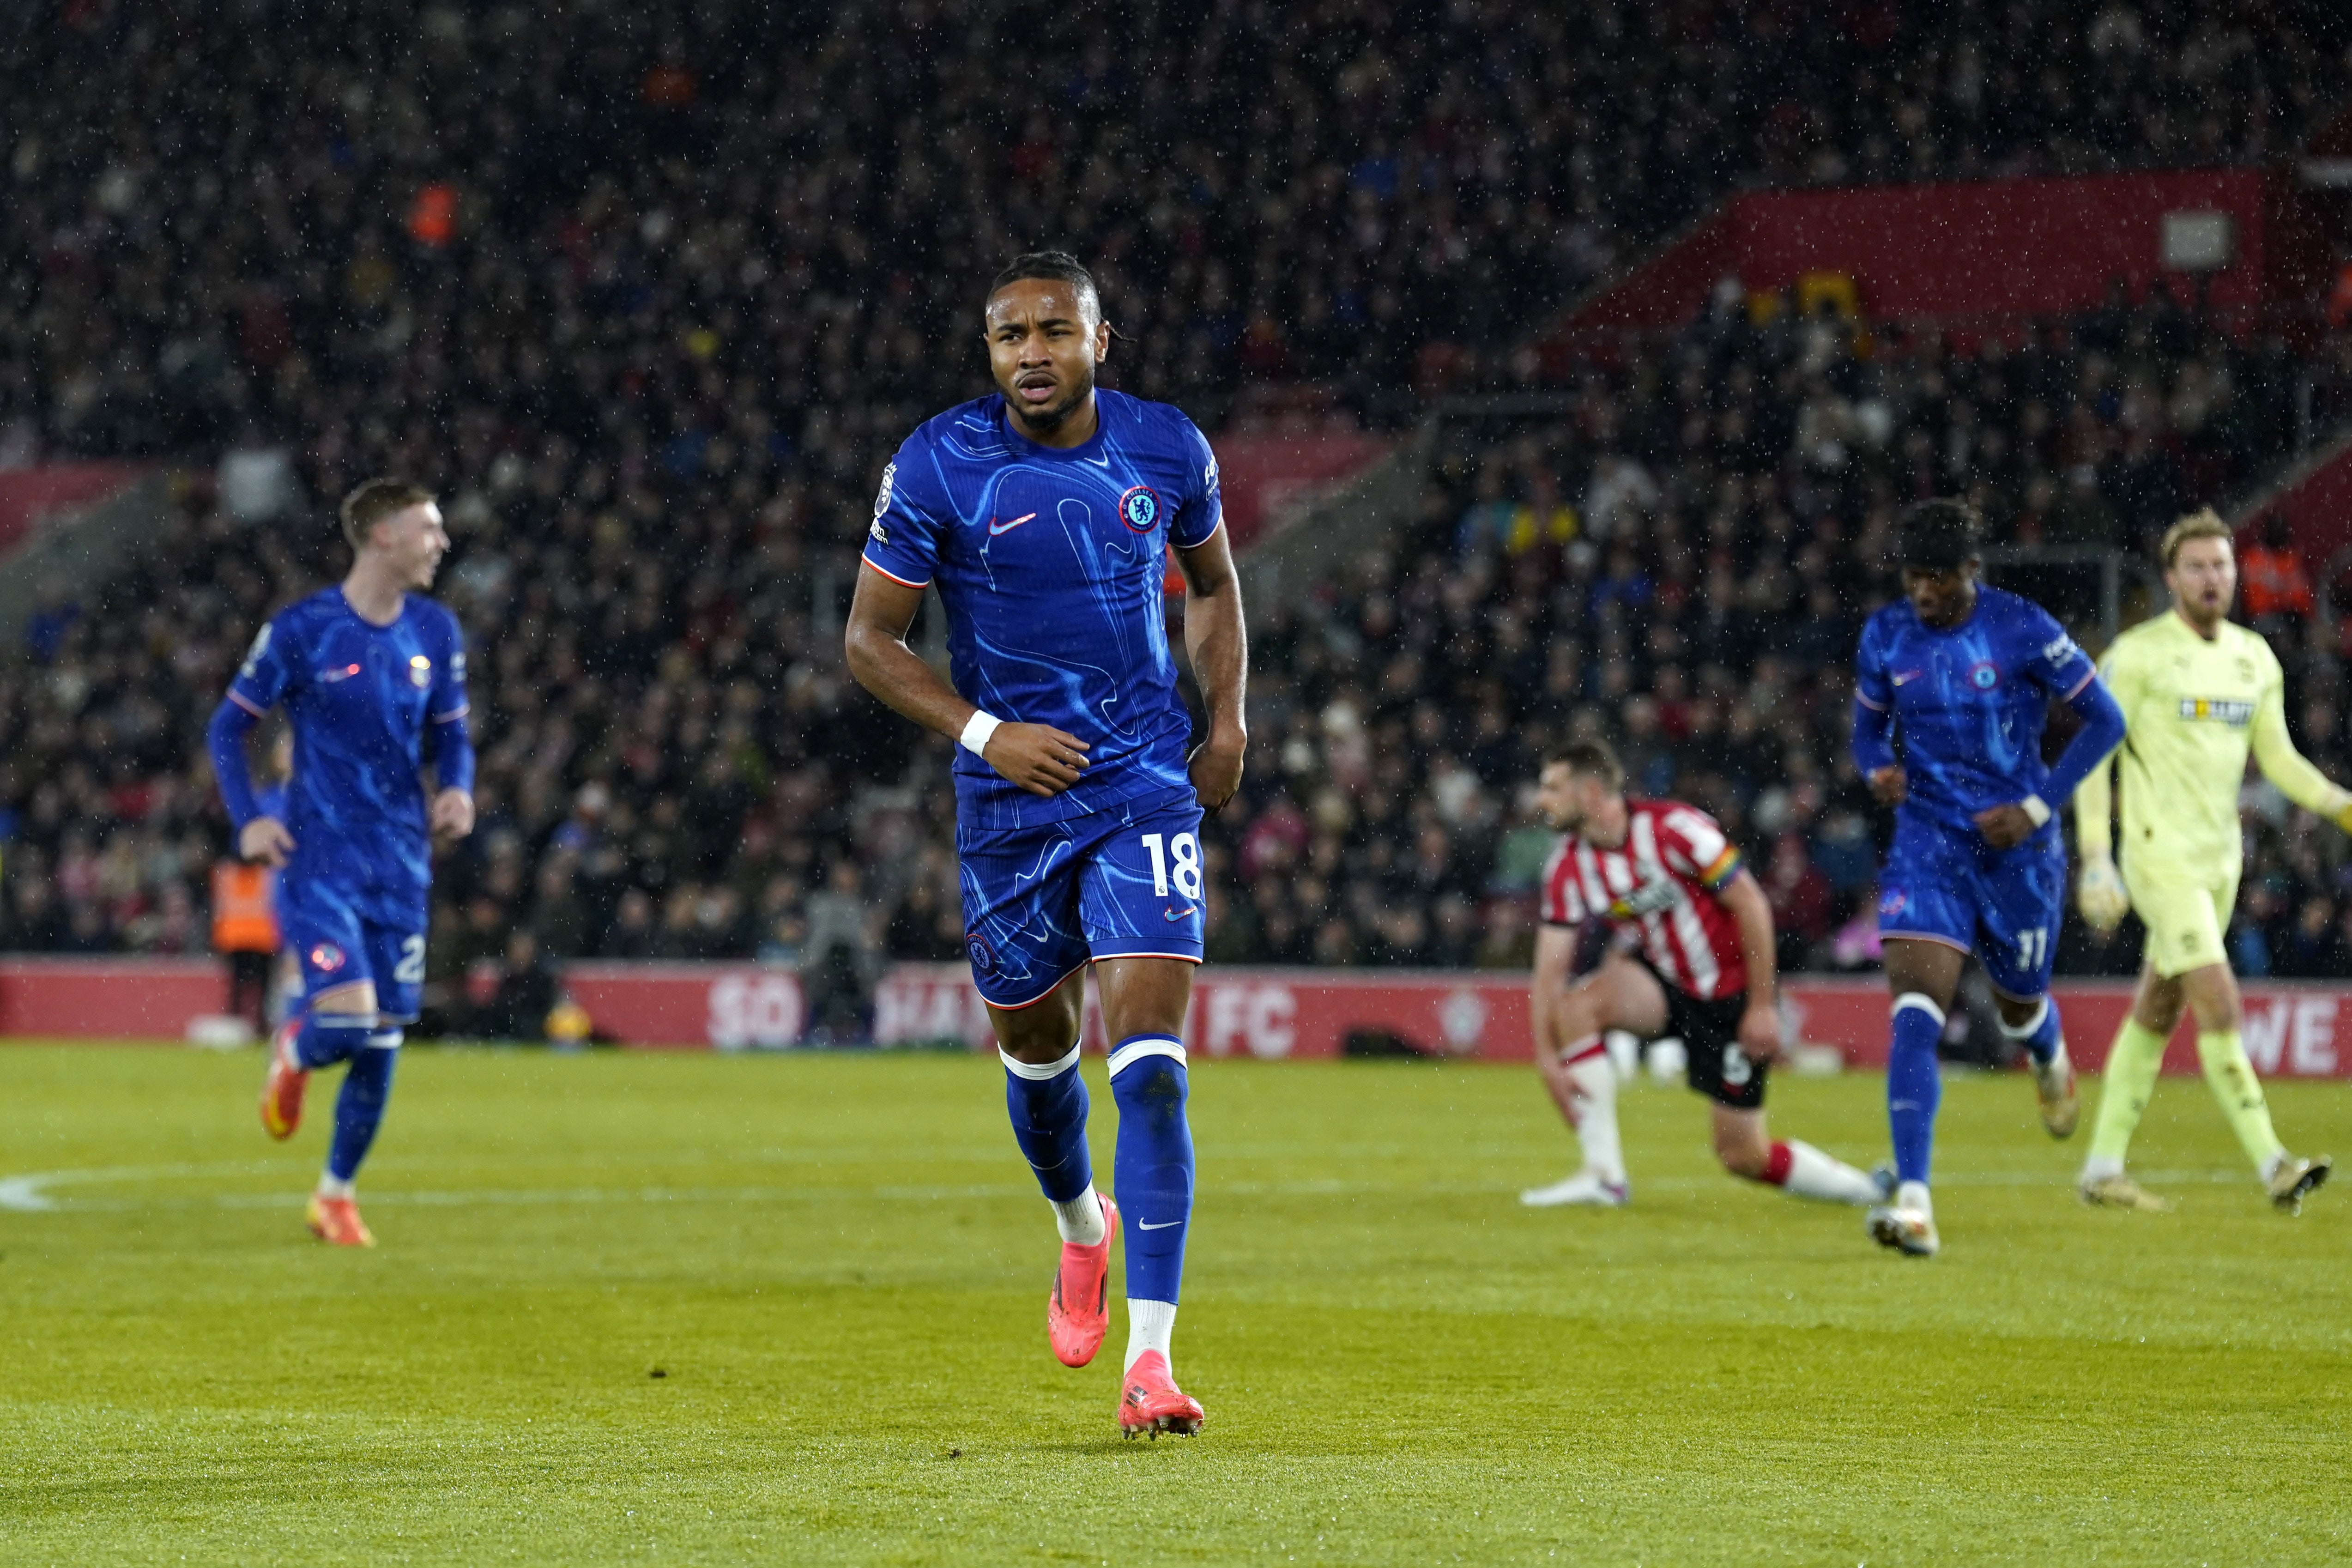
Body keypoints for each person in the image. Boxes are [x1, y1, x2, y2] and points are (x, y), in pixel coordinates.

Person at [844, 252, 1246, 1437]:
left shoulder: (1166, 447)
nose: (1031, 353)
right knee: (1034, 1048)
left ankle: (1153, 1362)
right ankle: (1082, 1227)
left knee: (1152, 1066)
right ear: (989, 351)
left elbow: (1214, 585)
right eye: (1009, 335)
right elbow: (871, 640)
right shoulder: (937, 463)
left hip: (1139, 785)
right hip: (1009, 802)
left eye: (1054, 332)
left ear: (1098, 341)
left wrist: (1225, 720)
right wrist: (983, 732)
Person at [1851, 499, 2126, 1257]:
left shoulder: (2023, 628)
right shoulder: (1884, 635)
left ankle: (2045, 1051)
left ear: (1970, 571)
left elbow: (2106, 720)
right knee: (1915, 1007)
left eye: (1937, 579)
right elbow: (1865, 726)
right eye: (1913, 579)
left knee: (2016, 1005)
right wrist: (1875, 765)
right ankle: (1914, 1203)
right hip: (1928, 842)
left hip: (2018, 850)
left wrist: (2038, 808)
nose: (1923, 593)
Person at [206, 478, 475, 1247]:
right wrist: (250, 819)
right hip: (318, 857)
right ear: (382, 536)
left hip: (402, 861)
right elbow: (227, 731)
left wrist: (456, 790)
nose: (442, 542)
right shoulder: (301, 631)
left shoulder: (436, 631)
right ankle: (294, 1047)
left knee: (385, 1034)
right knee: (348, 1023)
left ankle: (335, 1194)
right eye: (429, 528)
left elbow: (453, 736)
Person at [2072, 509, 2336, 1214]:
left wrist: (2341, 803)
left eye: (2221, 564)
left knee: (2158, 1005)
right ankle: (2274, 1163)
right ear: (2170, 578)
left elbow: (2278, 758)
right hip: (2160, 858)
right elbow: (2092, 759)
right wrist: (2096, 857)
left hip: (2221, 862)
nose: (2212, 577)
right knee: (2218, 998)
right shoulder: (2135, 656)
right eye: (2197, 566)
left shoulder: (2255, 657)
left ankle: (2101, 1167)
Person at [1520, 742, 1886, 1212]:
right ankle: (1603, 1177)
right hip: (1663, 982)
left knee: (1741, 1154)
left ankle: (1865, 1189)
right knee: (1576, 1006)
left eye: (1552, 787)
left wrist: (1760, 1005)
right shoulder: (1567, 867)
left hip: (1729, 996)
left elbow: (1751, 903)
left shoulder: (1674, 830)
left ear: (1590, 792)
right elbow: (1549, 969)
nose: (1540, 799)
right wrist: (1547, 1057)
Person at [210, 729, 292, 1035]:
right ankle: (265, 1027)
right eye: (285, 745)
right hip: (271, 900)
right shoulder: (265, 800)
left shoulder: (321, 801)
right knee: (263, 970)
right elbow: (241, 847)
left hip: (311, 894)